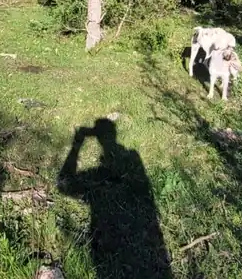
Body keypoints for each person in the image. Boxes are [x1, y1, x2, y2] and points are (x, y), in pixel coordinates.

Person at [57, 118, 172, 279]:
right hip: (138, 239)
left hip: (112, 241)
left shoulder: (129, 157)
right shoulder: (132, 157)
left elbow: (64, 187)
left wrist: (77, 145)